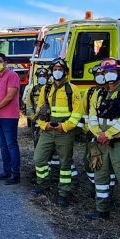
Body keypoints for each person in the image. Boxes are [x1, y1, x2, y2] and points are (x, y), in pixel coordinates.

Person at [85, 59, 120, 236]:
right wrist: (97, 134)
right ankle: (101, 211)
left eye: (112, 71)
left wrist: (108, 135)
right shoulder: (98, 93)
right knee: (100, 176)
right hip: (101, 141)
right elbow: (92, 116)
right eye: (105, 71)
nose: (108, 75)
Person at [33, 58, 82, 206]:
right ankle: (43, 185)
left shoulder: (73, 89)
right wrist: (43, 125)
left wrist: (65, 127)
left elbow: (77, 113)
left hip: (64, 132)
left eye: (60, 69)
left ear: (66, 72)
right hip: (47, 130)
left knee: (65, 164)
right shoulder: (45, 89)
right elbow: (39, 110)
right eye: (55, 69)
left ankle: (63, 193)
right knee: (39, 159)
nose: (57, 72)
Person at [0, 53, 21, 185]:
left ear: (5, 62)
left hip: (9, 117)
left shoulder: (12, 76)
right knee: (2, 145)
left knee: (11, 145)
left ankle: (15, 174)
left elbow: (9, 97)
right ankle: (6, 171)